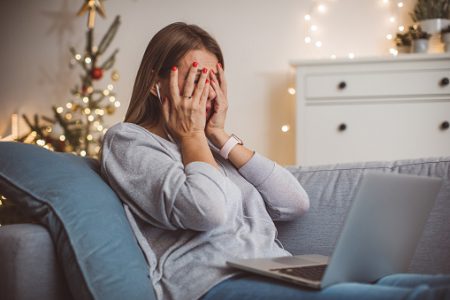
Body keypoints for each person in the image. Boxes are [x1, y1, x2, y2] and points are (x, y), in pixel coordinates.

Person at [100, 22, 450, 300]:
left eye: (212, 80)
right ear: (155, 83)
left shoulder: (210, 146)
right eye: (194, 79)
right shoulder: (128, 141)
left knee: (419, 285)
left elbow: (295, 203)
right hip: (211, 283)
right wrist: (191, 136)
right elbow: (207, 210)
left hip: (276, 270)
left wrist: (220, 136)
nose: (206, 92)